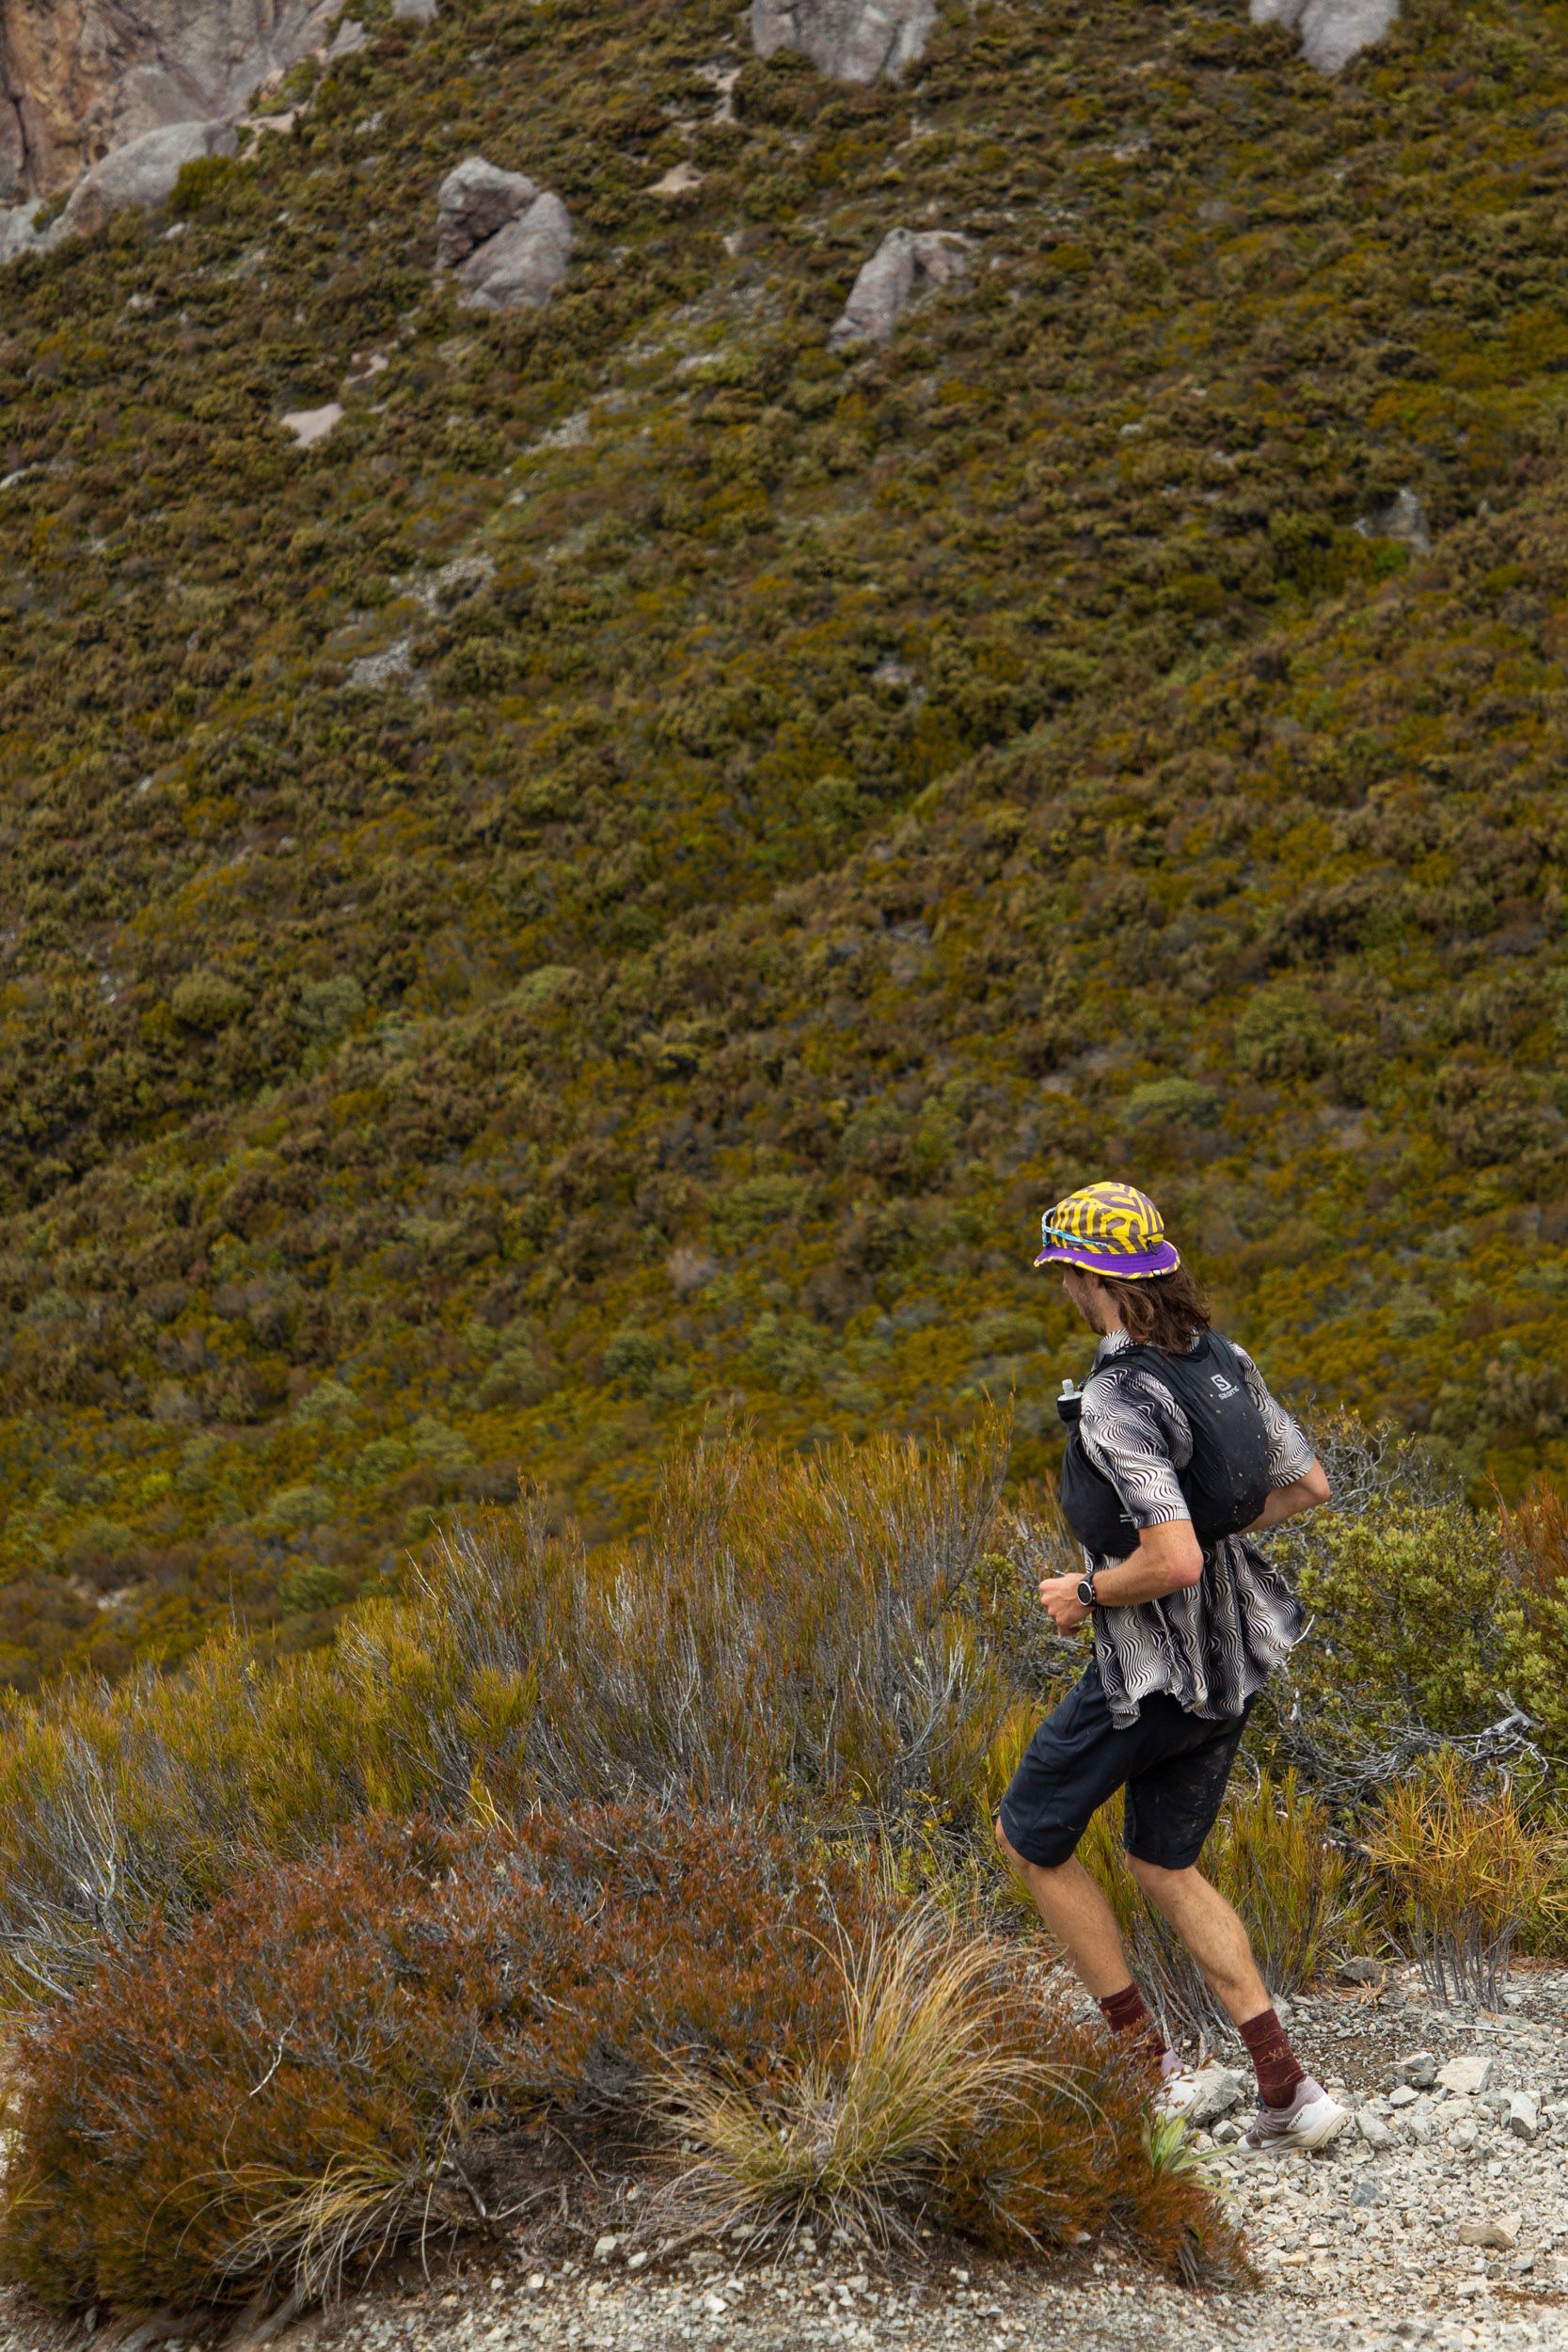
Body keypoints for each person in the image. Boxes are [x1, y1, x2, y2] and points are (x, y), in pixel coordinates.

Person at [994, 1179, 1346, 2153]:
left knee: (1029, 1833)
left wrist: (1087, 1592)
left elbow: (1174, 1559)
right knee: (1161, 1860)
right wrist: (1205, 1527)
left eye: (1061, 1272)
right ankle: (1289, 2089)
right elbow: (1304, 1484)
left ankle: (1145, 2071)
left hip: (1151, 1666)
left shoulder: (1117, 1395)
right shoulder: (1221, 1359)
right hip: (1236, 1654)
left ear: (1082, 1275)